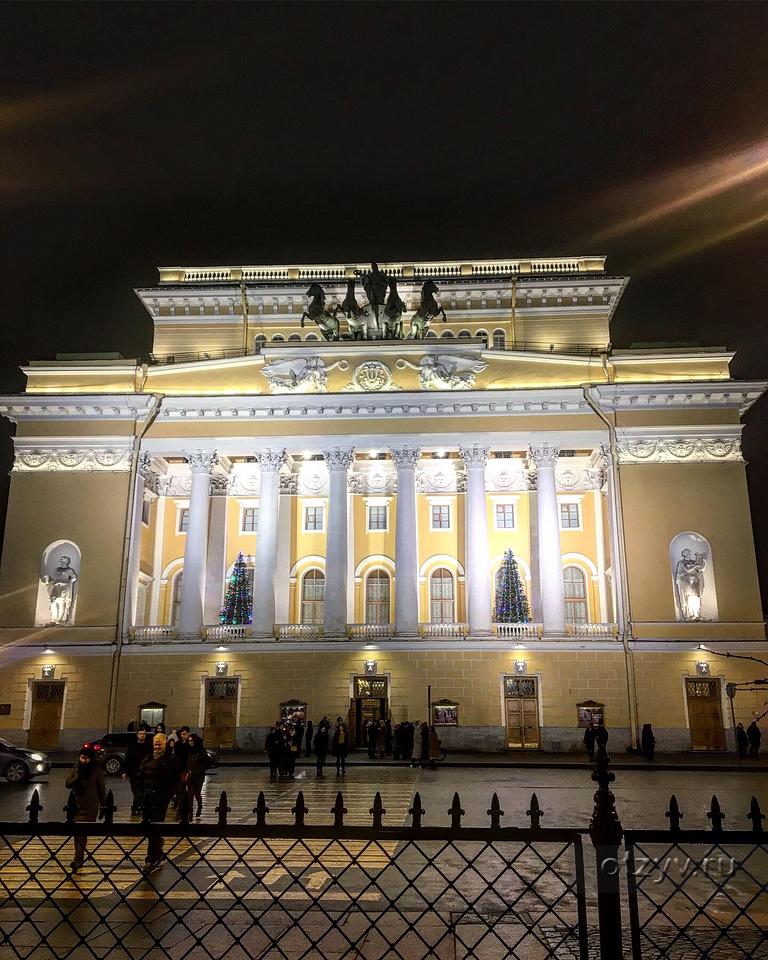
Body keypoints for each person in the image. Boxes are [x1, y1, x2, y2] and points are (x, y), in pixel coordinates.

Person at [140, 733, 178, 873]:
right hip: (147, 799)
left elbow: (175, 780)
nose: (157, 746)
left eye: (159, 743)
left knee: (154, 828)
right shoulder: (148, 758)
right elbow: (140, 776)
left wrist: (169, 795)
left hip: (160, 800)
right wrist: (140, 794)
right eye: (155, 743)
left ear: (165, 744)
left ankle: (150, 859)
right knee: (148, 828)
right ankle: (159, 848)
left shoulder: (170, 760)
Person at [65, 745, 106, 873]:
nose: (83, 760)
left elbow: (101, 790)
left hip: (89, 807)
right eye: (82, 757)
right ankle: (78, 858)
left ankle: (78, 860)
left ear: (91, 759)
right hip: (76, 806)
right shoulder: (77, 769)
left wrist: (103, 806)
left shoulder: (96, 771)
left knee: (81, 834)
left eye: (86, 758)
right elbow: (67, 783)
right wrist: (76, 777)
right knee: (77, 834)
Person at [123, 726, 152, 815]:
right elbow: (128, 760)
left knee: (143, 792)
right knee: (137, 792)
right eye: (140, 734)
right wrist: (125, 772)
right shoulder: (132, 747)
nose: (142, 735)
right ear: (137, 735)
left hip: (145, 773)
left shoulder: (148, 747)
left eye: (143, 734)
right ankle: (136, 808)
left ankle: (138, 808)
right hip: (134, 773)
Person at [184, 734, 212, 819]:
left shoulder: (201, 751)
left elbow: (208, 762)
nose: (190, 743)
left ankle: (199, 807)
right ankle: (190, 812)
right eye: (189, 741)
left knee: (197, 793)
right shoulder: (188, 750)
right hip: (190, 776)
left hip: (199, 776)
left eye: (192, 741)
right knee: (190, 794)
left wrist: (201, 769)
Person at [171, 726, 192, 809]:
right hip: (179, 769)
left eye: (184, 734)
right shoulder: (178, 744)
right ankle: (179, 803)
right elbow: (176, 756)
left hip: (187, 769)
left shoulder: (190, 744)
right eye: (181, 734)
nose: (183, 736)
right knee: (179, 788)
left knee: (184, 788)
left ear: (188, 734)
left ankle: (182, 804)